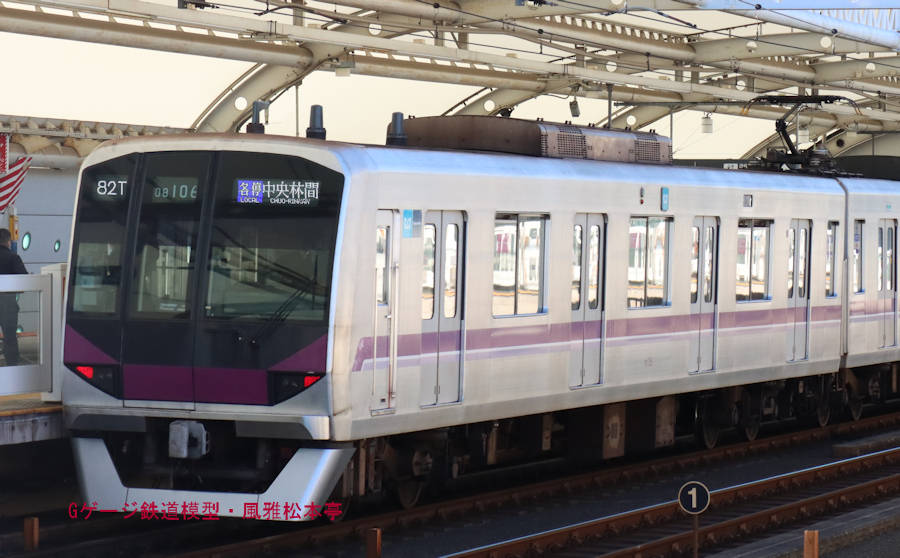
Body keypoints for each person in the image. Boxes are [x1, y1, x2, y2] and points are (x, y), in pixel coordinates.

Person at [0, 228, 27, 365]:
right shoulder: (13, 257)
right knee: (10, 336)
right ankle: (12, 366)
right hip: (7, 304)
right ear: (8, 241)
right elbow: (25, 280)